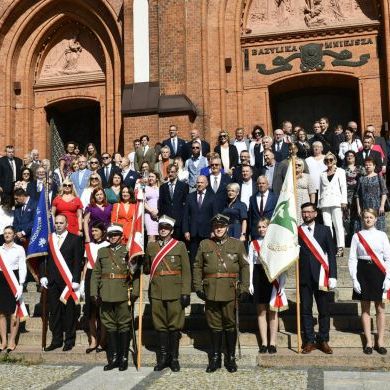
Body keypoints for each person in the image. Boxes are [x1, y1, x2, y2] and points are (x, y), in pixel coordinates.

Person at [193, 214, 249, 373]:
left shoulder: (237, 244)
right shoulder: (205, 244)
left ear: (227, 228)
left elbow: (245, 266)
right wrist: (198, 286)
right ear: (213, 228)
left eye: (222, 226)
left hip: (230, 290)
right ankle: (215, 357)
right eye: (216, 226)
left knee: (230, 324)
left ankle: (230, 358)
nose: (219, 229)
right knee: (214, 325)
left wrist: (244, 288)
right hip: (210, 291)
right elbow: (197, 266)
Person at [144, 215, 191, 372]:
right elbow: (147, 267)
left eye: (166, 227)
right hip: (156, 291)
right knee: (160, 325)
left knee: (174, 325)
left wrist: (186, 292)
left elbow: (186, 271)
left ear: (171, 230)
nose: (163, 229)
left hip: (175, 291)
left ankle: (174, 358)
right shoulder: (151, 247)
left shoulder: (179, 246)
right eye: (161, 227)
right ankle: (163, 358)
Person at [90, 224, 139, 371]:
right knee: (110, 325)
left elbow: (136, 274)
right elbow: (96, 274)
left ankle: (123, 358)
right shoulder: (102, 251)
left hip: (123, 293)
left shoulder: (128, 251)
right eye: (111, 235)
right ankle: (114, 358)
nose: (113, 238)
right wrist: (94, 292)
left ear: (121, 236)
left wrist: (135, 291)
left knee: (123, 325)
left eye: (116, 235)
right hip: (105, 294)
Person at [348, 208, 390, 355]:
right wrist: (354, 279)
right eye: (365, 217)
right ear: (362, 219)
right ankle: (369, 342)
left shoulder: (382, 235)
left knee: (380, 309)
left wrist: (388, 278)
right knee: (365, 308)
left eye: (371, 217)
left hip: (379, 272)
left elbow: (388, 258)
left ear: (376, 219)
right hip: (362, 272)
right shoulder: (357, 236)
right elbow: (352, 258)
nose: (368, 219)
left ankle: (380, 342)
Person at [39, 214, 83, 352]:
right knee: (55, 312)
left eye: (61, 223)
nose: (58, 225)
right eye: (56, 223)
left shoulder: (75, 239)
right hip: (52, 281)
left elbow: (77, 262)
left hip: (68, 282)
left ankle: (69, 340)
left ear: (67, 224)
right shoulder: (49, 239)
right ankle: (56, 340)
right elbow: (43, 258)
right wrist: (42, 275)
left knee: (69, 312)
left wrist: (76, 279)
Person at [298, 203, 337, 354]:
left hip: (322, 276)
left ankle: (323, 340)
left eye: (309, 212)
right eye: (303, 212)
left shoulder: (325, 230)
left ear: (315, 213)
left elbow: (331, 254)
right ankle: (309, 340)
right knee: (306, 310)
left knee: (324, 310)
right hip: (304, 277)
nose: (306, 215)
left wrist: (333, 275)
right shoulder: (298, 231)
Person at [248, 218, 280, 354]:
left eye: (264, 227)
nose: (261, 229)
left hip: (272, 276)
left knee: (273, 312)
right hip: (258, 276)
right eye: (259, 227)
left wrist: (281, 284)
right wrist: (249, 282)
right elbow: (250, 263)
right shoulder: (253, 243)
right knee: (261, 311)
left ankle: (273, 342)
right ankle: (264, 342)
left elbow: (280, 264)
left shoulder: (275, 243)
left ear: (269, 228)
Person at [81, 222, 109, 354]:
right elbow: (86, 264)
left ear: (103, 232)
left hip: (103, 276)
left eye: (96, 231)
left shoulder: (107, 245)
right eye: (92, 231)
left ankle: (103, 340)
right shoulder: (89, 246)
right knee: (91, 312)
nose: (93, 233)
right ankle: (93, 340)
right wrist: (82, 282)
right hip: (90, 277)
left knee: (102, 311)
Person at [0, 226, 26, 352]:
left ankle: (12, 341)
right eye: (5, 233)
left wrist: (21, 285)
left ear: (14, 235)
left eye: (9, 233)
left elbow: (22, 267)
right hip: (1, 280)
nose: (7, 235)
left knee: (13, 313)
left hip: (14, 281)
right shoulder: (0, 249)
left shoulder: (19, 249)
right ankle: (3, 341)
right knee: (1, 313)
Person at [318, 152, 347, 257]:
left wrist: (344, 201)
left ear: (335, 160)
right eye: (327, 160)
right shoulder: (322, 174)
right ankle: (329, 246)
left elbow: (343, 186)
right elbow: (321, 189)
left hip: (336, 201)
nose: (329, 162)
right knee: (327, 225)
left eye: (331, 159)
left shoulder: (340, 171)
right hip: (325, 201)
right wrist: (319, 204)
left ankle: (340, 247)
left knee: (338, 224)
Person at [183, 175, 215, 265]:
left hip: (207, 233)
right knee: (194, 258)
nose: (199, 184)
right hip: (193, 233)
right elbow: (185, 215)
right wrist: (186, 231)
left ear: (206, 184)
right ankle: (194, 278)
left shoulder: (212, 197)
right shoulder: (190, 196)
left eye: (201, 182)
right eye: (198, 182)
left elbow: (215, 215)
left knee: (207, 257)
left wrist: (213, 231)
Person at [356, 157, 388, 231]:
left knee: (379, 228)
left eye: (370, 165)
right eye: (366, 165)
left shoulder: (379, 177)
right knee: (366, 228)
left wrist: (382, 206)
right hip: (365, 207)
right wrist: (358, 207)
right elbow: (357, 195)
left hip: (377, 207)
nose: (368, 166)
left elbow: (384, 192)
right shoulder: (361, 179)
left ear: (374, 166)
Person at [158, 164, 189, 239]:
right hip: (167, 220)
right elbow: (161, 204)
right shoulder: (163, 187)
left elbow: (186, 203)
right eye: (169, 172)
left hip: (179, 220)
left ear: (177, 172)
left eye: (172, 172)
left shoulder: (183, 186)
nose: (170, 174)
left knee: (178, 242)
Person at [344, 151, 364, 244]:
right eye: (348, 156)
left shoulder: (360, 168)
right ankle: (348, 239)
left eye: (352, 156)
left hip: (358, 196)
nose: (350, 157)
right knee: (347, 217)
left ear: (355, 157)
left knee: (358, 217)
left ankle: (358, 238)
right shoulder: (342, 169)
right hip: (346, 196)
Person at [295, 158, 316, 226]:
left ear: (302, 166)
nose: (297, 166)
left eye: (299, 165)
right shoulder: (290, 177)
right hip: (293, 201)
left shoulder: (307, 176)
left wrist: (312, 205)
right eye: (295, 165)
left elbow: (312, 192)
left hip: (304, 201)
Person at [144, 171, 160, 242]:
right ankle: (149, 253)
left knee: (159, 236)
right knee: (151, 236)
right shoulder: (145, 188)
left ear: (157, 178)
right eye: (149, 176)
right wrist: (151, 211)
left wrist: (158, 211)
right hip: (148, 214)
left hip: (159, 214)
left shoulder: (161, 188)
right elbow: (143, 202)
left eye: (152, 176)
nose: (150, 178)